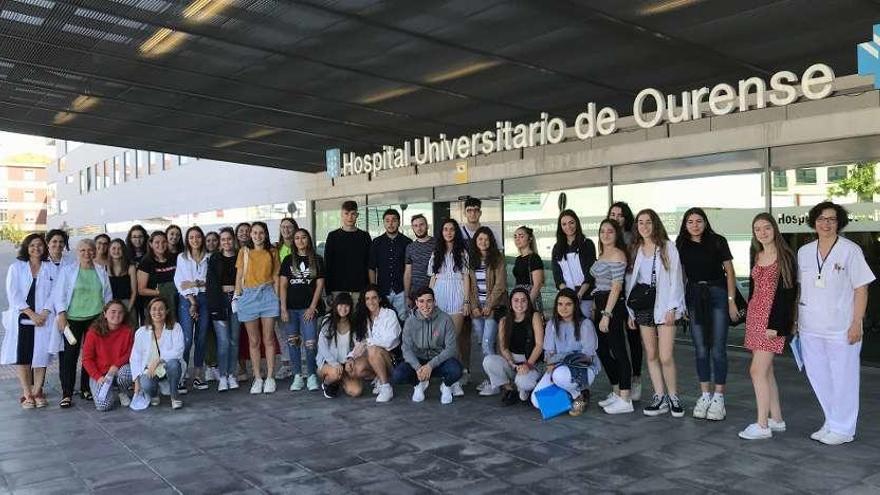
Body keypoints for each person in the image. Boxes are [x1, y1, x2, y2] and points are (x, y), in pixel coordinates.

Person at [798, 201, 875, 445]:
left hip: (841, 327)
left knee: (844, 378)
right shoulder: (804, 251)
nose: (826, 223)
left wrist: (857, 323)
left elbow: (861, 288)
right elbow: (801, 289)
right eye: (821, 219)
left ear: (838, 222)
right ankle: (831, 420)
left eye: (831, 219)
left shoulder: (850, 250)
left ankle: (844, 429)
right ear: (814, 222)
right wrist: (796, 322)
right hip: (810, 326)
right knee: (819, 376)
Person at [738, 213, 797, 440]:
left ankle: (762, 425)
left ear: (775, 229)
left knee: (756, 371)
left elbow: (787, 295)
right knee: (766, 370)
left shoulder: (785, 257)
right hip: (755, 317)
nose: (762, 233)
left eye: (766, 228)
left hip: (771, 321)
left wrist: (777, 325)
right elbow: (754, 291)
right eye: (757, 229)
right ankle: (777, 419)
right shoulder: (757, 253)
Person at [676, 207, 738, 421]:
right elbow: (681, 275)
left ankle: (719, 397)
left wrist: (731, 302)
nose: (695, 225)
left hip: (718, 294)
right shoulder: (681, 244)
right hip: (694, 295)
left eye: (699, 221)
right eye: (690, 221)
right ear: (685, 225)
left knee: (718, 348)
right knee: (701, 348)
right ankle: (704, 395)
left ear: (705, 222)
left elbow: (730, 271)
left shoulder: (717, 241)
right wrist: (681, 303)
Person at [625, 209, 686, 418]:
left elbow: (676, 278)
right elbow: (630, 282)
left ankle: (673, 397)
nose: (644, 226)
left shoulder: (668, 247)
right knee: (651, 354)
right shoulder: (636, 249)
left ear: (655, 224)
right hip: (643, 307)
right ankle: (659, 397)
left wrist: (673, 307)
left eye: (648, 222)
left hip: (665, 306)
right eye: (640, 223)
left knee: (666, 355)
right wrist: (630, 312)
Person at [53, 238, 113, 408]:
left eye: (90, 250)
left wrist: (106, 317)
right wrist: (61, 315)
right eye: (83, 250)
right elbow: (59, 295)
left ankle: (86, 388)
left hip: (95, 319)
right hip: (72, 319)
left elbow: (108, 295)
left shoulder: (101, 271)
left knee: (91, 356)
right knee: (69, 357)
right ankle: (67, 393)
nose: (87, 253)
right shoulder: (68, 271)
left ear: (95, 252)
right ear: (77, 252)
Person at [1, 233, 57, 409]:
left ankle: (38, 391)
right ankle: (27, 394)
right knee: (23, 356)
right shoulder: (16, 267)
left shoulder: (51, 268)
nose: (36, 248)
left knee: (41, 355)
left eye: (40, 245)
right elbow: (14, 294)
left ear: (45, 248)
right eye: (32, 245)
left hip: (44, 317)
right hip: (23, 316)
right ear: (26, 247)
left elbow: (55, 293)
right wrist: (31, 314)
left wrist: (45, 313)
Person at [530, 288, 600, 416]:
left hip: (581, 369)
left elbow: (587, 356)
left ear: (575, 305)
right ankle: (568, 395)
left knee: (559, 375)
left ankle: (580, 394)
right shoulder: (552, 324)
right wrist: (550, 362)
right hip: (557, 367)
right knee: (536, 401)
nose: (563, 308)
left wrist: (558, 360)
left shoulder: (585, 324)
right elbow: (549, 351)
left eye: (568, 304)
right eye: (560, 304)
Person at [392, 287, 462, 404]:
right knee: (398, 375)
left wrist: (430, 365)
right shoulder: (410, 322)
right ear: (416, 303)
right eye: (421, 301)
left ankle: (446, 386)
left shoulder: (445, 319)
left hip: (438, 361)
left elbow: (451, 348)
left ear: (434, 302)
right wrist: (418, 367)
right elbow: (406, 348)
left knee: (456, 370)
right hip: (418, 361)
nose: (425, 305)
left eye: (429, 301)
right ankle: (418, 384)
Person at [592, 219, 634, 414]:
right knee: (601, 349)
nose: (606, 234)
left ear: (616, 234)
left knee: (619, 351)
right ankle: (617, 391)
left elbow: (616, 287)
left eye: (610, 231)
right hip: (600, 304)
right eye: (602, 231)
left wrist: (606, 314)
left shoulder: (618, 254)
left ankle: (626, 398)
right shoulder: (602, 254)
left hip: (612, 306)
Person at [234, 221, 280, 394]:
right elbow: (239, 276)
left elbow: (275, 275)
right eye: (255, 232)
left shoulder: (273, 251)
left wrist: (278, 299)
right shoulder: (244, 252)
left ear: (266, 234)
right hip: (248, 296)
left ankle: (270, 376)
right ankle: (257, 377)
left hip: (268, 294)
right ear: (250, 234)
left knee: (268, 339)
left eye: (261, 232)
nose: (258, 236)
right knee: (254, 341)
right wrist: (237, 297)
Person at [279, 228, 325, 392]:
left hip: (308, 309)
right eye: (297, 238)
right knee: (293, 343)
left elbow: (319, 285)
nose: (300, 240)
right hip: (290, 309)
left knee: (310, 343)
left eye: (303, 237)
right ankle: (297, 375)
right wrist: (283, 308)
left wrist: (313, 307)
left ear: (308, 240)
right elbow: (283, 285)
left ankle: (311, 375)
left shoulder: (317, 259)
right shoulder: (287, 260)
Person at [428, 218, 471, 389]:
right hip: (439, 297)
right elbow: (433, 278)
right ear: (441, 232)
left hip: (457, 297)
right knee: (442, 341)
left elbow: (466, 277)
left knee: (453, 340)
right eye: (445, 229)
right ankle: (450, 376)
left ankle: (457, 377)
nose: (448, 232)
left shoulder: (463, 253)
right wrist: (428, 300)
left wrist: (466, 301)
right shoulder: (435, 253)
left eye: (452, 229)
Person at [482, 288, 543, 405]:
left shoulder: (534, 316)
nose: (519, 304)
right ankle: (509, 389)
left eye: (523, 300)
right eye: (516, 300)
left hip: (531, 361)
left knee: (525, 383)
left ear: (528, 302)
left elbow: (539, 345)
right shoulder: (504, 320)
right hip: (513, 361)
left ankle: (524, 387)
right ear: (510, 303)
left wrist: (528, 364)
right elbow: (503, 348)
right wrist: (511, 363)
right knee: (488, 361)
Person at [608, 201, 643, 398]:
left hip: (630, 290)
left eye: (620, 214)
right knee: (616, 340)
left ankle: (636, 378)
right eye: (613, 214)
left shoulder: (632, 238)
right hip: (613, 291)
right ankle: (623, 382)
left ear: (626, 217)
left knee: (633, 336)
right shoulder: (606, 237)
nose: (616, 217)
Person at [468, 226, 507, 396]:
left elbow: (500, 286)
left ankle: (496, 383)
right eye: (480, 239)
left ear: (490, 241)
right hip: (477, 310)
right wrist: (475, 306)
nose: (483, 242)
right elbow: (469, 286)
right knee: (483, 344)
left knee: (487, 344)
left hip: (492, 308)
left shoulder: (497, 259)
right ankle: (492, 378)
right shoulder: (471, 260)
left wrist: (488, 305)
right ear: (475, 242)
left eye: (486, 239)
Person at [130, 297, 185, 409]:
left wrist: (158, 360)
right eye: (154, 309)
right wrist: (137, 384)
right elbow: (135, 357)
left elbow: (179, 350)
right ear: (149, 312)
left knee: (174, 364)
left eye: (161, 309)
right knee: (146, 384)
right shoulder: (141, 332)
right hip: (150, 370)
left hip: (168, 367)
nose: (157, 312)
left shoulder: (175, 327)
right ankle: (154, 394)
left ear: (167, 311)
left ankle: (174, 397)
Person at [174, 226, 211, 392]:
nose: (195, 240)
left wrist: (195, 283)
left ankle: (198, 375)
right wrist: (192, 301)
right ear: (187, 240)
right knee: (187, 338)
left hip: (204, 299)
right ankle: (181, 376)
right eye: (191, 237)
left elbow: (208, 281)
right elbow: (180, 282)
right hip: (187, 300)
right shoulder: (181, 258)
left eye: (197, 237)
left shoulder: (209, 257)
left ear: (202, 238)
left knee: (201, 337)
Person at [82, 300, 134, 411]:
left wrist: (117, 365)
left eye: (120, 312)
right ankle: (107, 390)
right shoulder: (93, 332)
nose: (117, 315)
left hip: (119, 370)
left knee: (128, 372)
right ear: (105, 314)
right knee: (103, 406)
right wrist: (97, 377)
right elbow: (87, 359)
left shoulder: (128, 331)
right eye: (113, 312)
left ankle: (122, 392)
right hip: (100, 374)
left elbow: (130, 352)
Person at [353, 285, 401, 402]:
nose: (371, 301)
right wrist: (350, 357)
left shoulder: (389, 314)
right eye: (367, 299)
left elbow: (390, 341)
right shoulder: (362, 318)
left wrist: (367, 342)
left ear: (379, 299)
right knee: (357, 369)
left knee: (373, 349)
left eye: (374, 298)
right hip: (372, 357)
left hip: (392, 360)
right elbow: (358, 344)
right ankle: (379, 378)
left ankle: (386, 387)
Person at [206, 227, 240, 391]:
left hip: (237, 301)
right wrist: (215, 306)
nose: (226, 242)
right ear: (220, 242)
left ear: (234, 240)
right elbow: (211, 284)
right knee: (223, 341)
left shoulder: (241, 256)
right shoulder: (215, 258)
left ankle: (232, 375)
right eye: (223, 239)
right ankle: (222, 376)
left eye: (229, 239)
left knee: (234, 340)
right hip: (220, 301)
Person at [316, 293, 363, 398]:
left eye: (346, 305)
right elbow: (322, 345)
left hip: (344, 364)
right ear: (335, 305)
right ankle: (327, 383)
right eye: (340, 305)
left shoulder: (353, 322)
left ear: (350, 307)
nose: (343, 308)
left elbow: (359, 344)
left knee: (356, 391)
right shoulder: (329, 320)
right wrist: (334, 363)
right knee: (335, 373)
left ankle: (339, 381)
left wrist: (351, 358)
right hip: (328, 363)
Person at [324, 200, 371, 304]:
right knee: (339, 320)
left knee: (359, 320)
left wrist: (369, 288)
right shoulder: (333, 236)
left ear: (357, 215)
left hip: (360, 290)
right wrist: (328, 291)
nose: (350, 217)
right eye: (346, 213)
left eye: (353, 214)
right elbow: (328, 264)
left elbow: (369, 264)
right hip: (337, 290)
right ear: (341, 215)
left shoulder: (365, 236)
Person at [552, 209, 597, 318]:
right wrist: (568, 295)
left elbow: (590, 273)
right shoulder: (557, 248)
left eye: (571, 222)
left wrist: (579, 294)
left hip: (585, 296)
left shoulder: (587, 244)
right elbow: (557, 276)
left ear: (576, 223)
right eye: (564, 224)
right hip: (567, 298)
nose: (568, 227)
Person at [369, 208, 412, 319]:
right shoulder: (377, 242)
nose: (391, 223)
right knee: (383, 319)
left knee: (402, 319)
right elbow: (372, 268)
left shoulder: (407, 242)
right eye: (387, 220)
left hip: (401, 290)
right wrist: (374, 289)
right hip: (383, 290)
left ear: (399, 222)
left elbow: (410, 269)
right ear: (384, 223)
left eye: (394, 220)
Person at [136, 232, 178, 333]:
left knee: (171, 332)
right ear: (151, 244)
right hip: (154, 307)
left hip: (172, 304)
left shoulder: (173, 259)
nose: (161, 245)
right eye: (157, 242)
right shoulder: (146, 262)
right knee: (154, 335)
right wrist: (162, 291)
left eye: (164, 242)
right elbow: (141, 290)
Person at [404, 214, 436, 309]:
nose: (419, 228)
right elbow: (408, 273)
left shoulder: (437, 244)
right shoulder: (410, 247)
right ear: (413, 228)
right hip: (415, 295)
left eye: (421, 224)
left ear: (427, 226)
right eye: (415, 226)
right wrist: (407, 296)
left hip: (434, 293)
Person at [513, 226, 544, 309]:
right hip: (518, 296)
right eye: (515, 236)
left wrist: (528, 303)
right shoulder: (518, 259)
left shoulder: (534, 258)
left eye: (521, 236)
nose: (517, 239)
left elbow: (537, 284)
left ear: (530, 239)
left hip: (530, 297)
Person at [107, 238, 138, 324]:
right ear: (109, 250)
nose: (116, 251)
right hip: (111, 304)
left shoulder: (131, 267)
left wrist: (128, 309)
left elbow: (134, 291)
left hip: (127, 303)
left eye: (119, 248)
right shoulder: (104, 268)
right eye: (113, 248)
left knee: (130, 332)